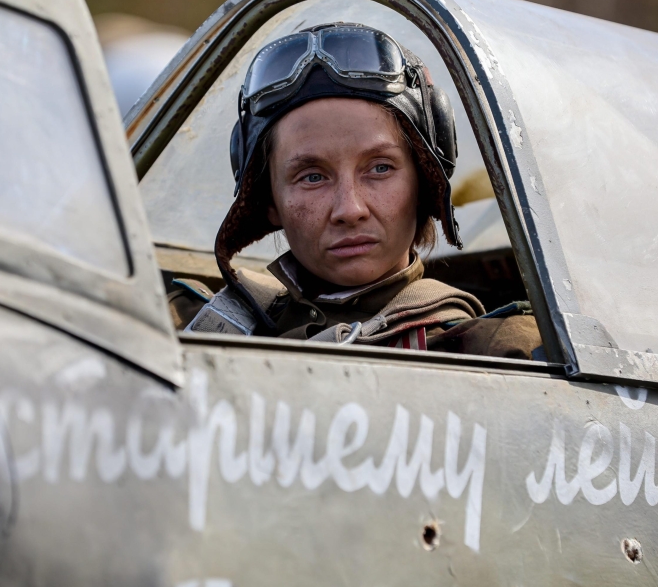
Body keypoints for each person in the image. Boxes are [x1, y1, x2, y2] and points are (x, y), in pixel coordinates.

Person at [169, 22, 543, 359]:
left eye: (380, 168)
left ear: (424, 185)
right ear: (269, 201)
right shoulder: (183, 326)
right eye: (312, 177)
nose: (349, 210)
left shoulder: (500, 354)